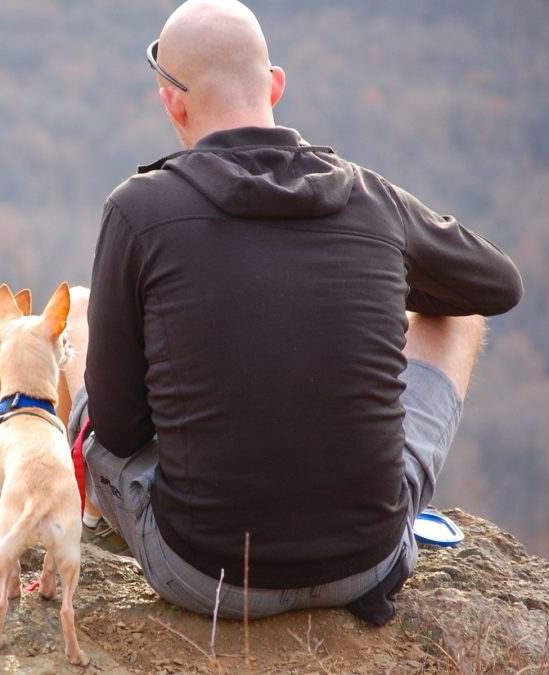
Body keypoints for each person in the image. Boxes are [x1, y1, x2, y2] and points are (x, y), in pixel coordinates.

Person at [67, 0, 523, 625]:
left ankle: (93, 518)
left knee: (81, 313)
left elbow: (117, 431)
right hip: (370, 561)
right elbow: (496, 286)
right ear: (276, 84)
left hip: (205, 574)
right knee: (459, 315)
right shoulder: (371, 199)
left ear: (172, 102)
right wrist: (369, 282)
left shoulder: (139, 211)